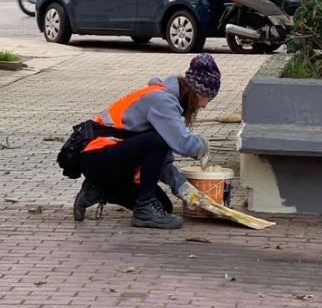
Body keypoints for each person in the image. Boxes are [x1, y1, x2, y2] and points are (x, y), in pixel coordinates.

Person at [72, 53, 221, 229]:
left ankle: (100, 189)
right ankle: (144, 209)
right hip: (96, 156)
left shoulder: (166, 102)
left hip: (109, 160)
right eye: (208, 99)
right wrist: (202, 145)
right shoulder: (161, 101)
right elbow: (182, 144)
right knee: (157, 141)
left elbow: (161, 160)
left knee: (164, 206)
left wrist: (181, 186)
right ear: (198, 92)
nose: (205, 105)